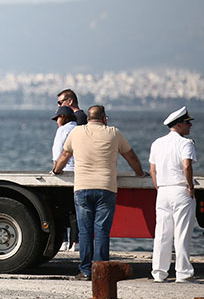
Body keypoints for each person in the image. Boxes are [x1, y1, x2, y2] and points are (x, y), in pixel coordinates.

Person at [53, 105, 146, 280]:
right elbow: (131, 156)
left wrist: (56, 170)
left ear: (88, 118)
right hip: (106, 188)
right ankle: (101, 271)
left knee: (85, 231)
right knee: (102, 230)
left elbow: (65, 155)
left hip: (82, 188)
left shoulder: (77, 133)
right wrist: (140, 174)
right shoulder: (113, 133)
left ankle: (86, 271)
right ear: (104, 118)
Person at [149, 106, 197, 283]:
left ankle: (159, 272)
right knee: (182, 233)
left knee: (162, 233)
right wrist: (190, 187)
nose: (189, 127)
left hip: (163, 191)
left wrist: (158, 187)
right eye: (186, 123)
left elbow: (153, 170)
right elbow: (187, 166)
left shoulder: (157, 143)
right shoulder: (186, 144)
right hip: (180, 190)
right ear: (178, 125)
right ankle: (183, 273)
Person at [51, 105, 78, 251]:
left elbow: (58, 152)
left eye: (58, 118)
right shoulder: (79, 129)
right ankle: (75, 242)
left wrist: (55, 170)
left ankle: (64, 241)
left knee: (61, 208)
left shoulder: (62, 130)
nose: (56, 121)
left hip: (65, 172)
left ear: (64, 117)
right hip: (79, 172)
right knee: (75, 210)